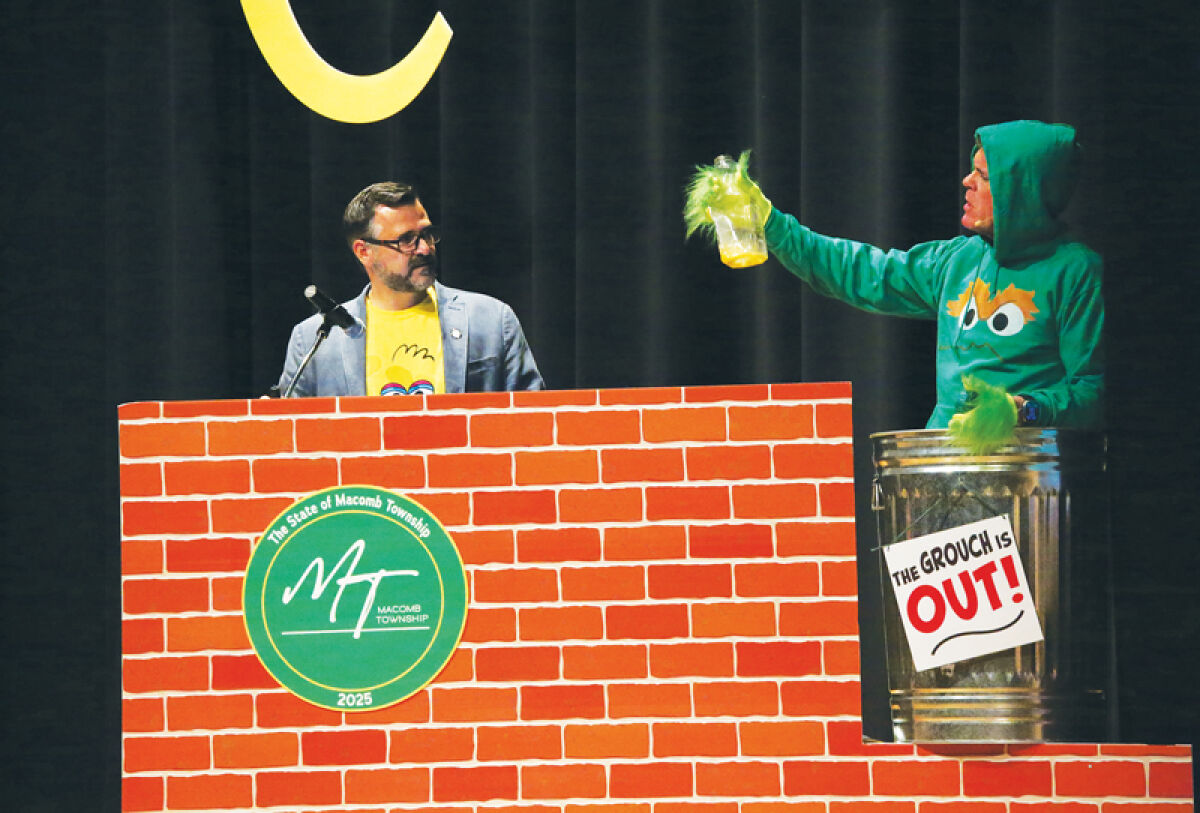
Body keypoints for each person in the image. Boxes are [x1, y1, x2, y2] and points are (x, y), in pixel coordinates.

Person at [739, 120, 1104, 429]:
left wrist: (1025, 409)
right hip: (943, 469)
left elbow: (1095, 390)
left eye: (983, 176)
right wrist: (770, 222)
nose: (966, 182)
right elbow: (865, 271)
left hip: (1024, 477)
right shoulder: (957, 259)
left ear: (1022, 191)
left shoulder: (1074, 271)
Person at [278, 182, 544, 397]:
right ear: (364, 251)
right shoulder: (315, 339)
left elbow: (533, 423)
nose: (425, 248)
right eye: (406, 240)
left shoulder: (491, 319)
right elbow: (292, 442)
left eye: (427, 234)